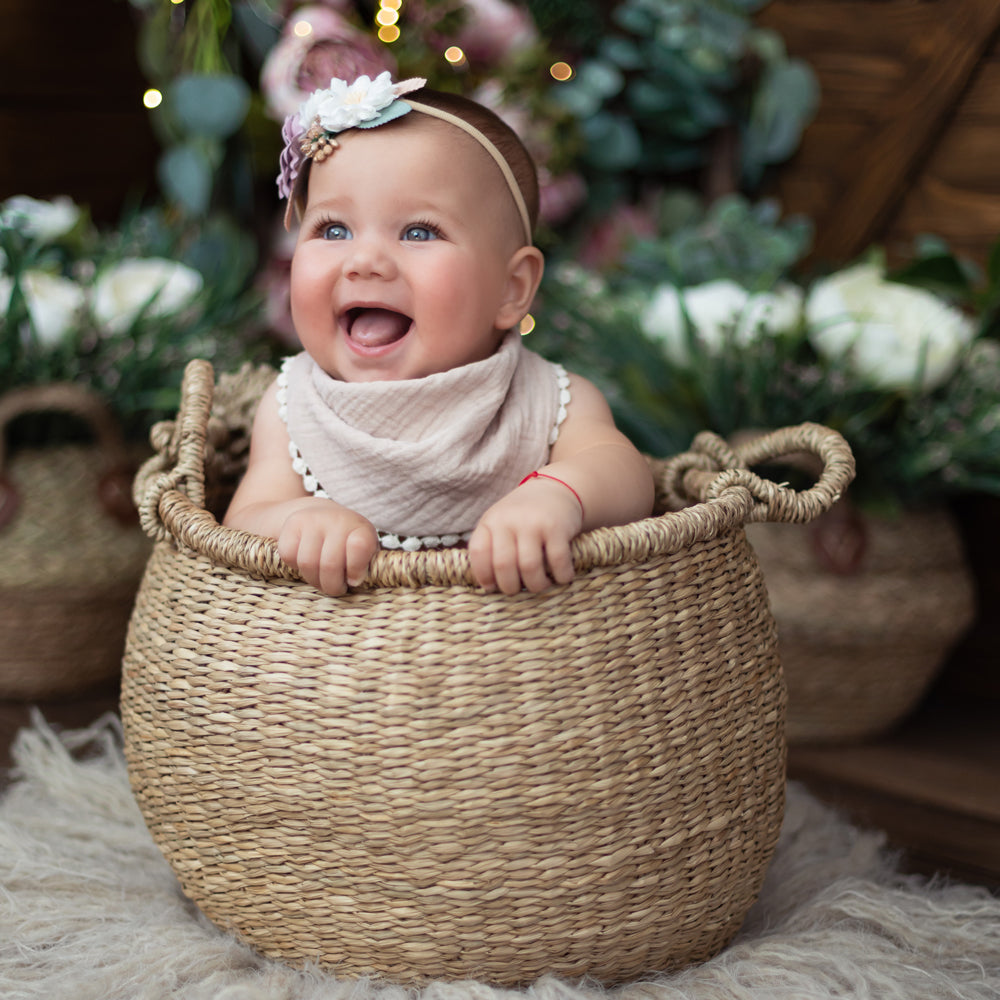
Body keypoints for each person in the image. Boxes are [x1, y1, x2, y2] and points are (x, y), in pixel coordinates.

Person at [224, 72, 654, 596]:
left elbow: (627, 473)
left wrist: (556, 495)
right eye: (333, 229)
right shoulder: (294, 405)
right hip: (343, 665)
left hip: (523, 656)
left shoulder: (549, 400)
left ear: (510, 289)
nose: (364, 261)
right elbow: (246, 517)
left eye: (418, 232)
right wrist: (296, 521)